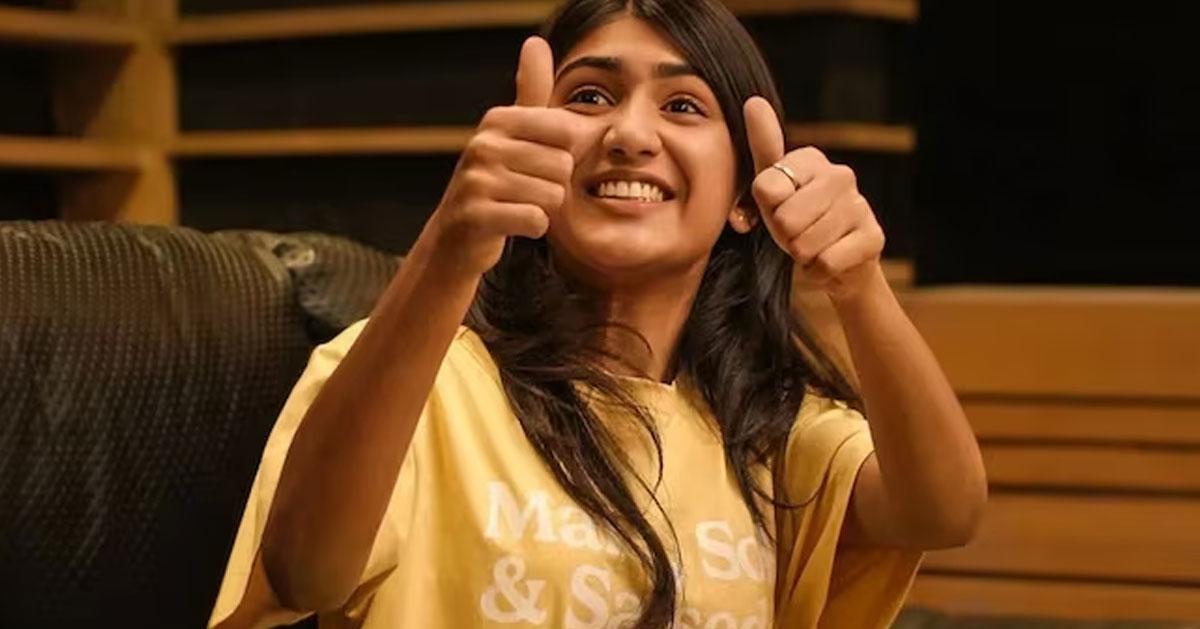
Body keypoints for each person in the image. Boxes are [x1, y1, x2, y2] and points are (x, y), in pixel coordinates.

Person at [209, 0, 987, 627]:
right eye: (589, 96)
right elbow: (304, 570)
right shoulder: (425, 384)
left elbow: (942, 510)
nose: (629, 134)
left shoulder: (767, 430)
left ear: (746, 196)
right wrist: (448, 252)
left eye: (682, 105)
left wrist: (857, 284)